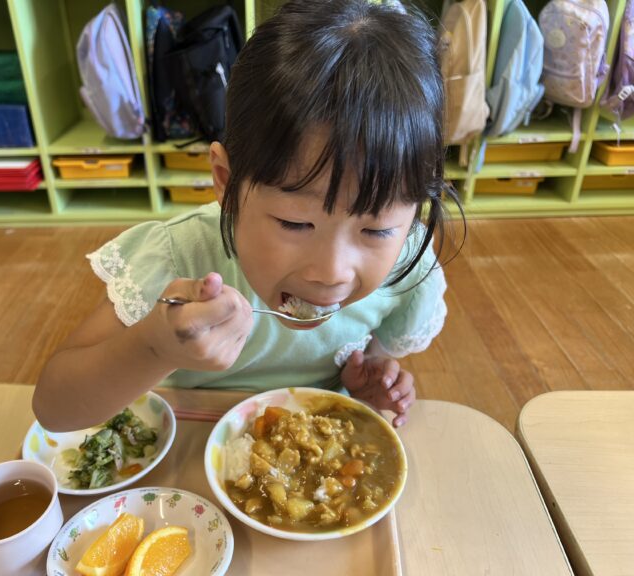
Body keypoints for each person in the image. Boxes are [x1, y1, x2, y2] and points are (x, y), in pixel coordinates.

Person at [34, 0, 462, 432]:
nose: (331, 272)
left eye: (376, 229)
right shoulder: (179, 259)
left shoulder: (406, 270)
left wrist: (366, 378)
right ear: (226, 180)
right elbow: (53, 408)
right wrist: (154, 349)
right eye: (295, 223)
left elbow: (370, 354)